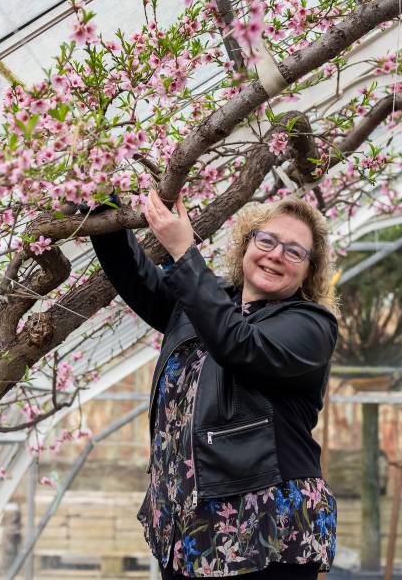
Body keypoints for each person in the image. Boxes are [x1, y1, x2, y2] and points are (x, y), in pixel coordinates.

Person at [91, 190, 340, 579]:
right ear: (246, 245)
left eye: (294, 252)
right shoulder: (207, 302)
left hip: (265, 527)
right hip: (186, 524)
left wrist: (184, 253)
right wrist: (99, 202)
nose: (276, 254)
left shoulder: (311, 326)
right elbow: (137, 277)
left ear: (309, 270)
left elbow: (238, 345)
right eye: (267, 240)